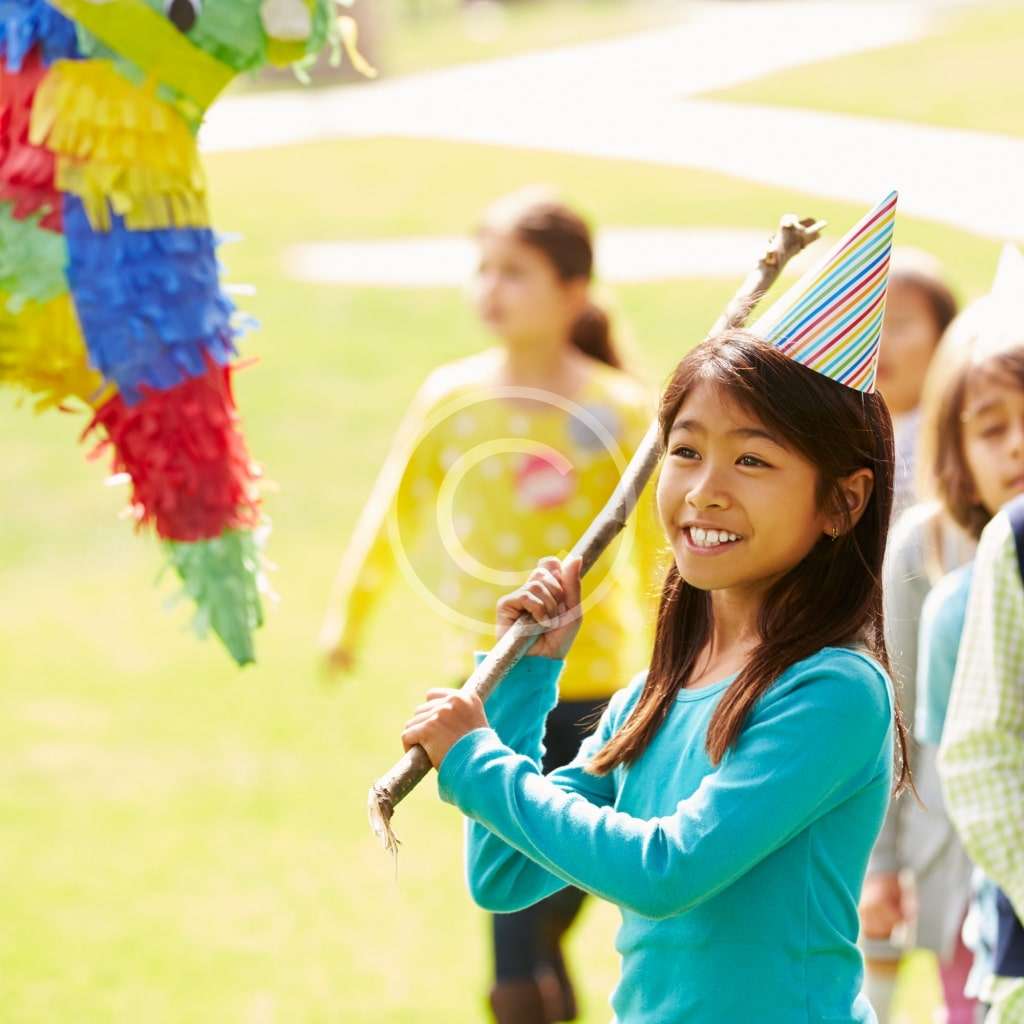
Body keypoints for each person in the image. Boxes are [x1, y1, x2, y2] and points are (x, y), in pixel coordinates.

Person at [402, 195, 914, 1022]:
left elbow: (665, 871)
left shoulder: (834, 691)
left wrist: (473, 759)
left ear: (842, 502)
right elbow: (504, 877)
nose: (705, 490)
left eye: (753, 460)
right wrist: (525, 683)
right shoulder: (652, 696)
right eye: (686, 450)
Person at [320, 188, 666, 1022]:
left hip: (597, 691)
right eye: (484, 269)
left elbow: (661, 551)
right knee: (512, 921)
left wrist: (672, 660)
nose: (491, 288)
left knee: (560, 884)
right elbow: (395, 510)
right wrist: (347, 618)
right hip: (482, 694)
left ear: (574, 290)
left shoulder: (621, 409)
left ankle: (542, 988)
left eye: (515, 272)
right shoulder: (452, 396)